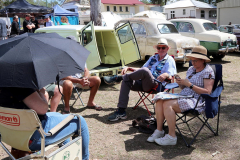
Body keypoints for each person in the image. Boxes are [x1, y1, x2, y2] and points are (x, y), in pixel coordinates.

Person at [147, 45, 215, 146]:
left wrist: (190, 85)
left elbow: (207, 92)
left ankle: (171, 137)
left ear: (203, 60)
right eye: (192, 60)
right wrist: (181, 83)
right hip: (184, 96)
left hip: (197, 100)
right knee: (160, 99)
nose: (193, 62)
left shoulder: (208, 72)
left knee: (168, 104)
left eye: (195, 60)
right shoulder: (191, 69)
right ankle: (159, 130)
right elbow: (185, 87)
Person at [0, 87, 89, 160]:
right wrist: (41, 93)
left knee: (57, 115)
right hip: (33, 138)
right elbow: (43, 109)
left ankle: (67, 153)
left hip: (9, 137)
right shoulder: (23, 87)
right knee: (80, 120)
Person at [104, 38, 177, 121]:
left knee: (145, 71)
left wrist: (166, 74)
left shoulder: (169, 60)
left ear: (167, 49)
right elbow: (141, 70)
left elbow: (171, 76)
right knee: (126, 81)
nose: (161, 50)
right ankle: (121, 111)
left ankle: (118, 78)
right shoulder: (153, 57)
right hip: (142, 82)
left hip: (155, 85)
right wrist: (129, 68)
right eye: (158, 48)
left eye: (163, 48)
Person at [60, 36, 102, 113]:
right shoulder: (60, 57)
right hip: (65, 80)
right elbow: (61, 75)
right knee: (68, 83)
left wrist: (85, 78)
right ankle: (66, 107)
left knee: (96, 79)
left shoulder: (78, 56)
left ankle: (90, 102)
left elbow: (86, 70)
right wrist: (79, 80)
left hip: (79, 79)